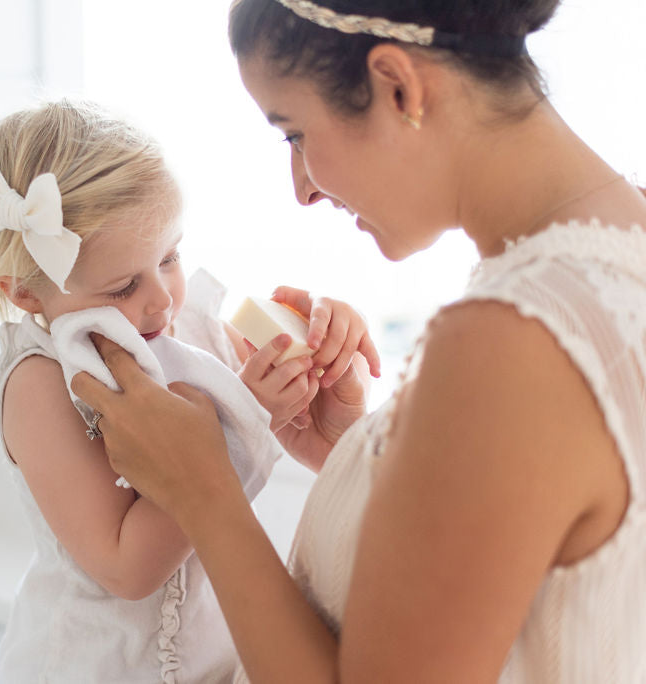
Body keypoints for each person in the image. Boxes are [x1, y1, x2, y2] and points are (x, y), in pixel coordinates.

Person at [70, 1, 646, 682]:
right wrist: (361, 458)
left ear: (398, 87)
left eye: (294, 133)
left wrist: (205, 491)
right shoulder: (615, 254)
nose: (302, 189)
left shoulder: (509, 343)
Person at [0, 99, 380, 682]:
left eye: (169, 256)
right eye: (123, 286)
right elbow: (126, 568)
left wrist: (313, 351)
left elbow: (286, 426)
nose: (163, 300)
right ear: (27, 295)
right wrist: (248, 415)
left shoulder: (189, 328)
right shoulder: (39, 383)